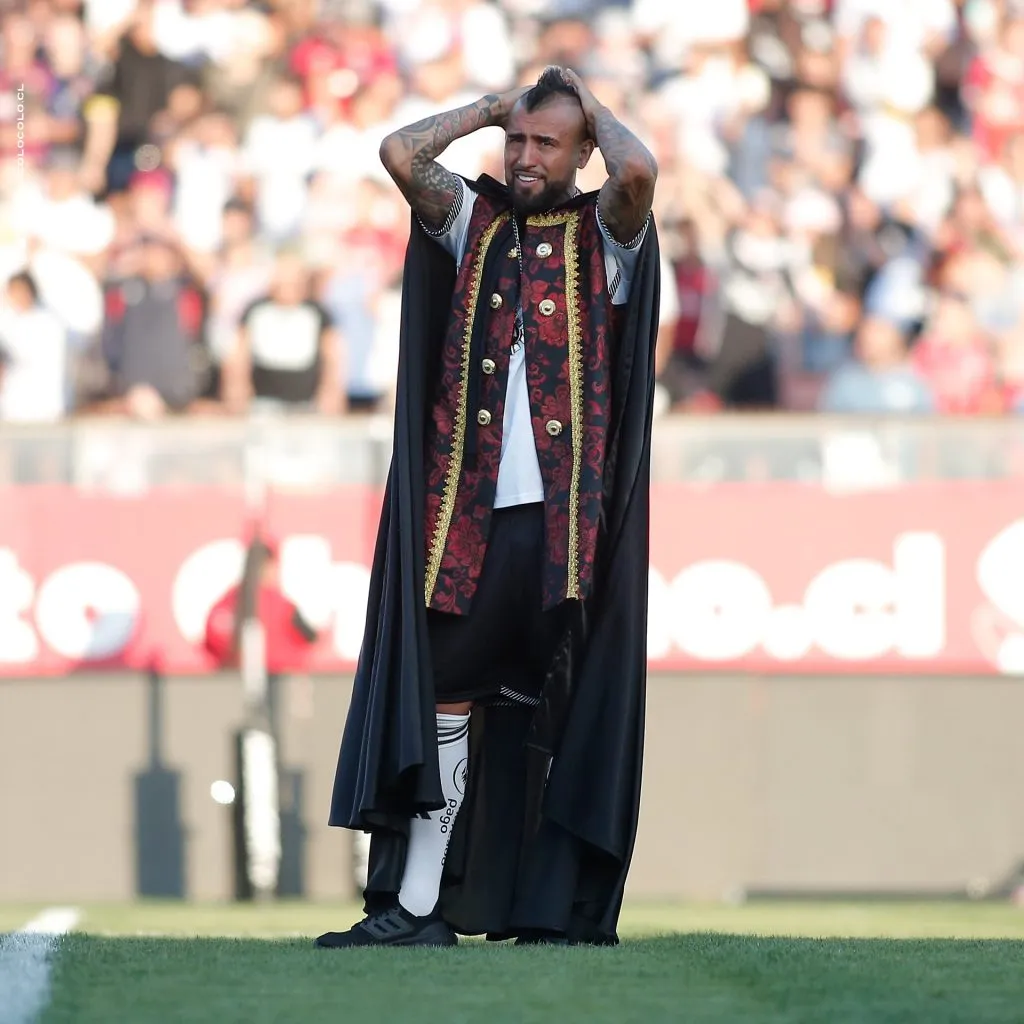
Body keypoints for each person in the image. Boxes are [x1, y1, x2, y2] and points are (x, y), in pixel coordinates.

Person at [317, 66, 660, 949]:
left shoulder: (609, 235)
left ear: (581, 148)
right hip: (465, 526)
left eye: (548, 142)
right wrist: (484, 110)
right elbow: (398, 152)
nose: (525, 154)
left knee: (568, 710)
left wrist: (591, 105)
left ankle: (553, 914)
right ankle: (418, 909)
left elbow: (636, 176)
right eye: (518, 139)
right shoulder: (471, 220)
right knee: (443, 699)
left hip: (567, 532)